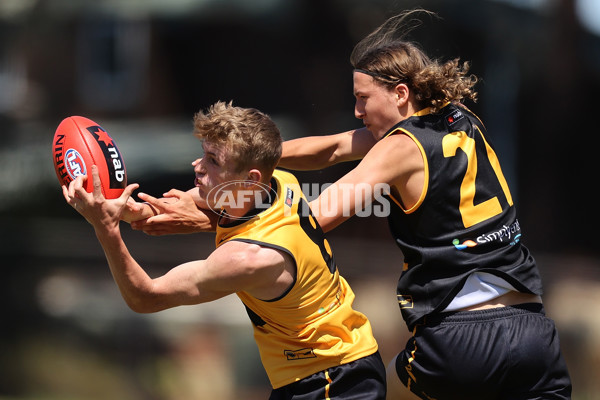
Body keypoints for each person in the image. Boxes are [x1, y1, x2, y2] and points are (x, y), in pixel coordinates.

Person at [129, 10, 573, 400]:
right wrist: (246, 161)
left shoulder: (400, 148)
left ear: (400, 95)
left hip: (458, 341)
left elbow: (309, 221)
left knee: (390, 372)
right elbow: (334, 147)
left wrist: (209, 216)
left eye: (363, 99)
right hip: (533, 332)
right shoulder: (458, 118)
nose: (357, 111)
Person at [63, 101, 387, 399]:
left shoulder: (249, 258)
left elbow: (145, 297)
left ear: (250, 178)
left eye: (213, 160)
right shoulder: (279, 184)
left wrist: (105, 229)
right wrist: (115, 204)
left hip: (332, 382)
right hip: (332, 366)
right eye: (203, 153)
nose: (197, 166)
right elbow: (179, 204)